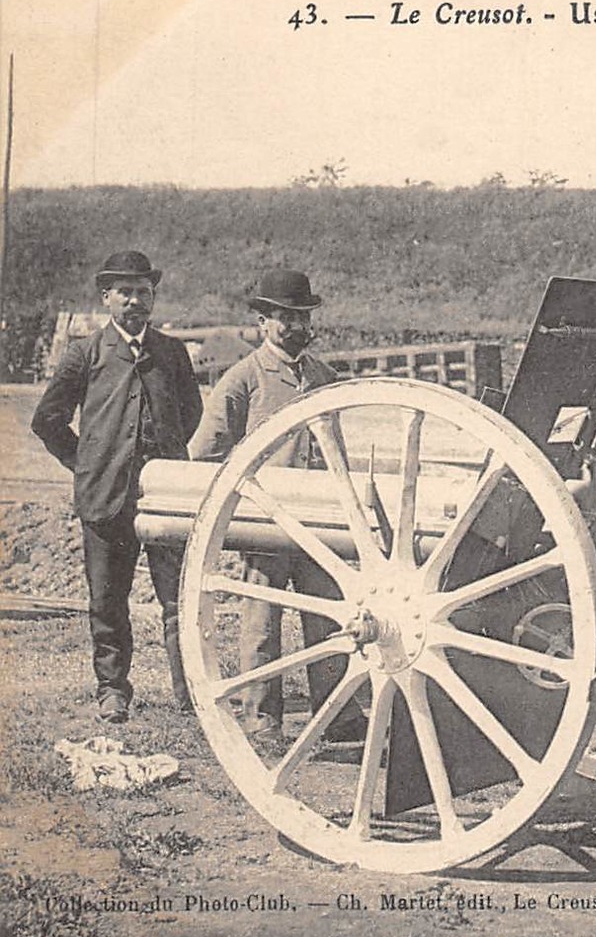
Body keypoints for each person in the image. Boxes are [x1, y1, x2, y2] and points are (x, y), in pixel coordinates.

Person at [190, 269, 364, 741]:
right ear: (262, 322)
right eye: (282, 318)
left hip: (317, 525)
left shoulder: (324, 377)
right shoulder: (243, 379)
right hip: (264, 523)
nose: (292, 326)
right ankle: (261, 720)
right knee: (262, 624)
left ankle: (339, 717)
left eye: (300, 317)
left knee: (328, 617)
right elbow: (204, 451)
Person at [32, 250, 203, 722]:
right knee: (107, 599)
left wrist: (162, 459)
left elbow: (191, 415)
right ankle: (113, 691)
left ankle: (190, 693)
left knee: (178, 597)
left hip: (166, 497)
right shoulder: (84, 353)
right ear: (105, 297)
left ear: (153, 298)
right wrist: (85, 464)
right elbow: (47, 420)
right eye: (124, 292)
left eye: (143, 292)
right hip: (105, 499)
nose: (134, 301)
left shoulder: (172, 353)